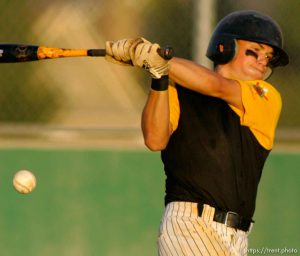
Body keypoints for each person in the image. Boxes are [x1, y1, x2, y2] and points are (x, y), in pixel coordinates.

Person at [105, 10, 289, 256]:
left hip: (238, 237)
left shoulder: (265, 96)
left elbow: (216, 86)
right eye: (254, 51)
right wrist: (158, 74)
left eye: (269, 57)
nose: (263, 61)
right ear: (225, 48)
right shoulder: (175, 86)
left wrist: (155, 57)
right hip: (189, 225)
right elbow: (155, 139)